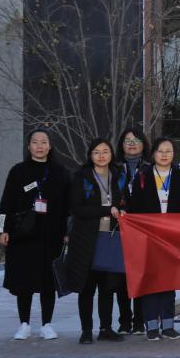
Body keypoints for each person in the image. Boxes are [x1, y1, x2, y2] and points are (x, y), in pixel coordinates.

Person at [0, 128, 71, 341]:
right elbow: (6, 203)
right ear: (28, 146)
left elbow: (68, 206)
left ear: (50, 146)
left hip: (52, 235)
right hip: (23, 235)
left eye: (44, 142)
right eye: (35, 142)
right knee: (23, 281)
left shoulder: (61, 172)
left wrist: (68, 232)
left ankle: (47, 324)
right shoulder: (18, 171)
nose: (39, 146)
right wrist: (1, 229)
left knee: (48, 281)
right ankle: (24, 324)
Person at [65, 138, 128, 344]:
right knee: (87, 287)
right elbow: (77, 209)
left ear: (111, 154)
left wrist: (123, 210)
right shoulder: (81, 176)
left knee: (107, 287)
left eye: (105, 151)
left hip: (111, 238)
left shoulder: (119, 175)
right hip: (86, 239)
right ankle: (86, 330)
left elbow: (124, 200)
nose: (101, 156)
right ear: (90, 155)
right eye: (96, 152)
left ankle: (105, 328)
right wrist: (106, 210)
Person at [127, 137, 180, 341]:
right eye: (160, 151)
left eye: (168, 151)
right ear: (153, 153)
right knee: (151, 282)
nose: (164, 155)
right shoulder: (143, 176)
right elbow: (134, 207)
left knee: (169, 282)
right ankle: (151, 326)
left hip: (172, 238)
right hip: (148, 237)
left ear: (174, 154)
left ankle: (168, 326)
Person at [114, 126, 150, 335]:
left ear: (143, 144)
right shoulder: (114, 168)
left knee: (141, 274)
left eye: (136, 140)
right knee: (121, 276)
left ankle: (139, 320)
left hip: (143, 229)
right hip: (119, 227)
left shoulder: (150, 167)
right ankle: (124, 319)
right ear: (121, 145)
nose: (132, 144)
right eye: (127, 140)